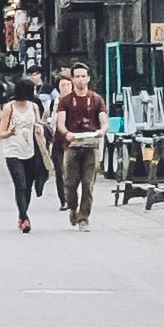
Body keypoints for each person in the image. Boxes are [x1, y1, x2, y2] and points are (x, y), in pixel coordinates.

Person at [52, 65, 105, 227]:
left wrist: (102, 131)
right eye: (77, 76)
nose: (81, 80)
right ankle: (72, 207)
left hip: (91, 145)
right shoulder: (65, 101)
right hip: (72, 145)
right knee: (70, 182)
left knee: (88, 183)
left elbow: (103, 120)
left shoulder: (96, 99)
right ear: (73, 79)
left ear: (88, 78)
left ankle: (84, 216)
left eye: (83, 76)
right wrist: (66, 133)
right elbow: (61, 123)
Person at [0, 82, 48, 232]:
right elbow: (1, 132)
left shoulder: (34, 107)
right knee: (20, 184)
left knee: (29, 185)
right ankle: (24, 218)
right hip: (12, 151)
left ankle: (22, 213)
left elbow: (38, 124)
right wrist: (10, 132)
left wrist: (40, 130)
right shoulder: (9, 108)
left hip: (30, 150)